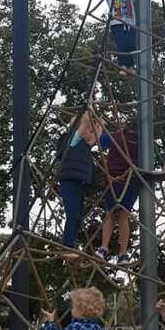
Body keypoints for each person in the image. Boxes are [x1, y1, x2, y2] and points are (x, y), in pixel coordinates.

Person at [55, 112, 102, 262]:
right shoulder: (73, 140)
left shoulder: (85, 145)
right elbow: (83, 126)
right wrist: (88, 112)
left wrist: (99, 123)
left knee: (77, 216)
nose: (90, 132)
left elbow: (96, 135)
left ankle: (71, 246)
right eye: (88, 129)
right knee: (72, 214)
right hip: (69, 182)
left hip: (79, 183)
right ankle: (67, 246)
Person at [96, 122, 139, 264]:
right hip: (132, 181)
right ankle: (123, 254)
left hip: (115, 179)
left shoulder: (118, 136)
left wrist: (99, 126)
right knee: (123, 216)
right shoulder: (142, 142)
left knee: (110, 214)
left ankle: (104, 248)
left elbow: (102, 140)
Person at [99, 0, 137, 76]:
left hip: (131, 24)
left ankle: (130, 66)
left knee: (131, 45)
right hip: (117, 24)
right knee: (122, 44)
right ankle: (123, 66)